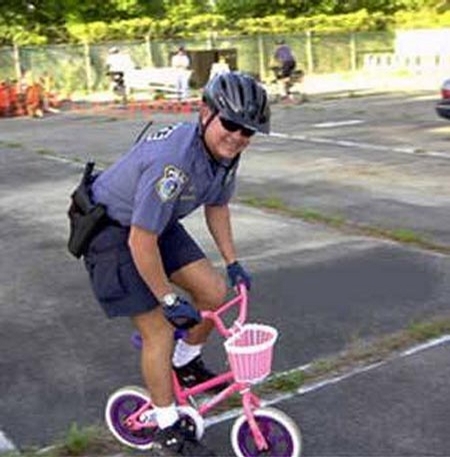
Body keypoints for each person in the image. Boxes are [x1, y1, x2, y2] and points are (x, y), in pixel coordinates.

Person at [81, 71, 270, 456]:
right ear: (205, 112)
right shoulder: (174, 163)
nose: (237, 136)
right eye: (231, 124)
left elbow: (217, 204)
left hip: (154, 223)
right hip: (112, 232)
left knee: (215, 292)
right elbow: (140, 240)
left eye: (247, 131)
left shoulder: (224, 156)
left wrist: (233, 262)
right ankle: (168, 429)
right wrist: (166, 298)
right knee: (160, 333)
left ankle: (186, 363)